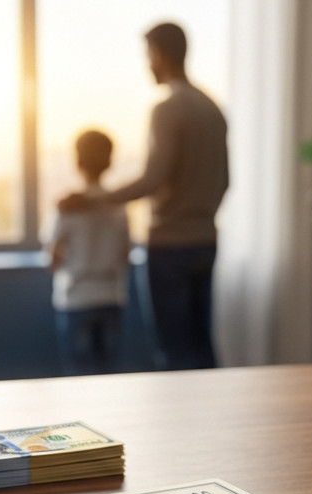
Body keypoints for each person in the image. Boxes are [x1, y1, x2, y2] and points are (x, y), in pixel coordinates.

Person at [60, 22, 229, 370]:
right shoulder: (212, 108)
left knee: (174, 349)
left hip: (170, 245)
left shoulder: (167, 108)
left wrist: (92, 199)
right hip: (206, 240)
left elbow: (152, 180)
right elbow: (225, 181)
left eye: (148, 54)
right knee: (201, 344)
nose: (147, 63)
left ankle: (182, 408)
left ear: (160, 55)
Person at [49, 129, 132, 376]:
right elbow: (126, 253)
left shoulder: (68, 207)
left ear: (78, 161)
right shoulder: (119, 206)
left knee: (79, 376)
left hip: (76, 298)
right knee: (109, 372)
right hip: (111, 296)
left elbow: (53, 256)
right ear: (110, 161)